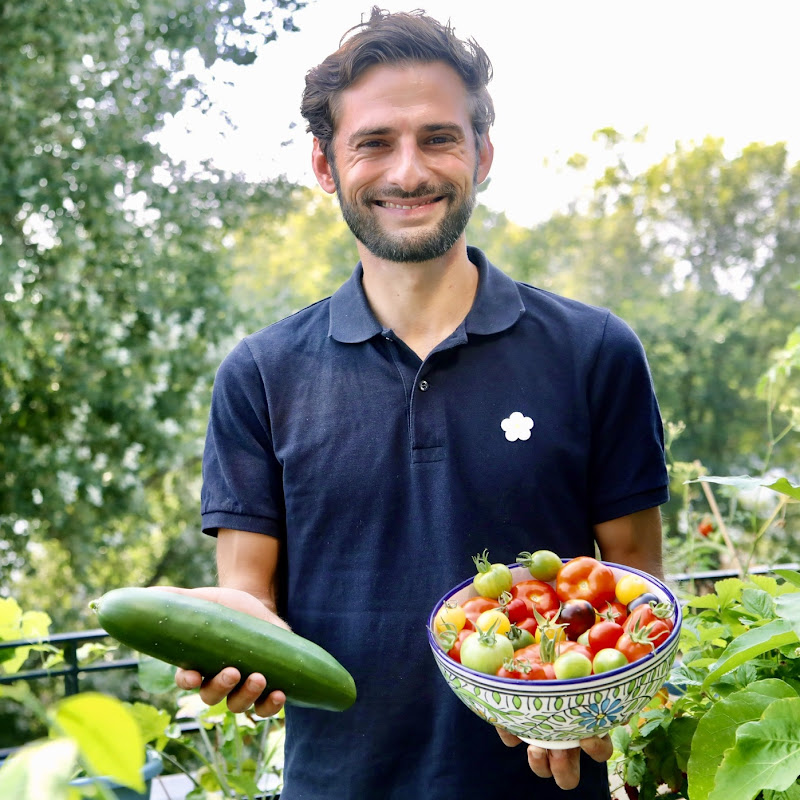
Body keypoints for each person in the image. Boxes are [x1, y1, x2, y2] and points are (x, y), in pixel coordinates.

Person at [173, 7, 669, 799]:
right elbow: (247, 594)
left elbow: (638, 575)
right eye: (374, 141)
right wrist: (241, 646)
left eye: (438, 137)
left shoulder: (595, 351)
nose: (409, 171)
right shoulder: (260, 375)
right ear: (325, 166)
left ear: (483, 154)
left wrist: (604, 698)